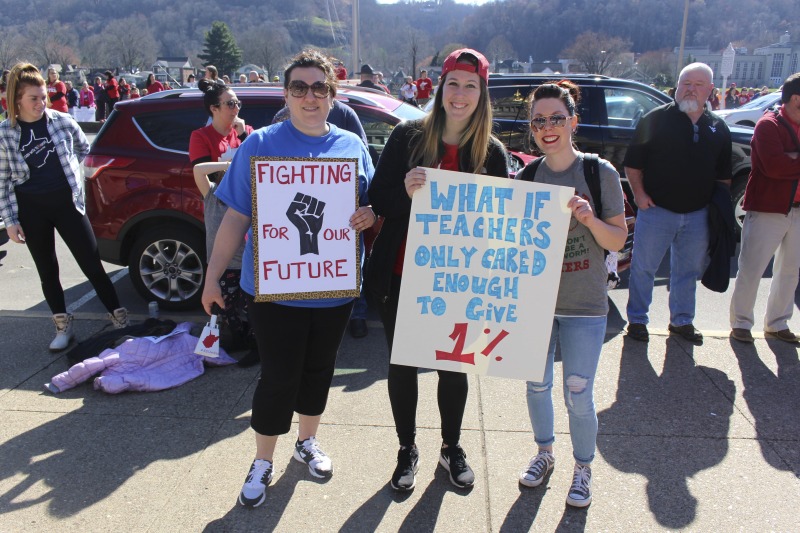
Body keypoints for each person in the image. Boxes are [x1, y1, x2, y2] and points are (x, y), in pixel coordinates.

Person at [200, 49, 375, 508]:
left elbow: (372, 206)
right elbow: (235, 217)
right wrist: (212, 277)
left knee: (319, 371)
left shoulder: (350, 147)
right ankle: (262, 459)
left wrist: (368, 214)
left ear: (332, 95)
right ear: (286, 93)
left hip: (334, 287)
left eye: (319, 87)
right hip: (274, 291)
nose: (309, 96)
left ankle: (307, 441)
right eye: (299, 87)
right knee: (278, 377)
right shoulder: (260, 145)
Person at [366, 48, 507, 492]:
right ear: (439, 88)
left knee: (454, 368)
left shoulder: (493, 152)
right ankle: (406, 447)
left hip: (461, 280)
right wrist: (405, 191)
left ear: (481, 93)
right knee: (403, 366)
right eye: (453, 84)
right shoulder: (409, 136)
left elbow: (502, 224)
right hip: (403, 273)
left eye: (470, 85)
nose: (460, 94)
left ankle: (451, 447)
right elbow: (377, 199)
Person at [514, 81, 627, 508]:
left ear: (572, 122)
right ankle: (545, 453)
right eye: (539, 120)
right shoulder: (526, 176)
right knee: (536, 385)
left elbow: (616, 240)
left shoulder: (599, 173)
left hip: (585, 305)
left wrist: (591, 219)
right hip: (536, 307)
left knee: (578, 394)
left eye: (556, 118)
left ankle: (583, 467)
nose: (547, 127)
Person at [0, 63, 129, 352]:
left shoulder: (61, 121)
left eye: (43, 96)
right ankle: (62, 324)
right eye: (33, 98)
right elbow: (3, 181)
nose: (40, 103)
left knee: (91, 264)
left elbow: (85, 150)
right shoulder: (5, 133)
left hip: (67, 204)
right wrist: (10, 220)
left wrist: (77, 178)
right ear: (17, 100)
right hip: (31, 208)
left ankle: (120, 318)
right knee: (47, 269)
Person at [624, 63, 731, 344]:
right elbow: (633, 165)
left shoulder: (718, 128)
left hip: (698, 214)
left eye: (698, 85)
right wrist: (639, 195)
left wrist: (716, 211)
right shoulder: (655, 120)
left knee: (687, 271)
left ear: (710, 90)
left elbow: (724, 177)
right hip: (657, 210)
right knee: (644, 267)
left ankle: (682, 321)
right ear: (676, 86)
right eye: (685, 83)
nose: (690, 89)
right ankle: (637, 320)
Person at [189, 78, 256, 365]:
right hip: (222, 211)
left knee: (251, 296)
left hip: (248, 218)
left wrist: (242, 138)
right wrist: (231, 165)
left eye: (237, 103)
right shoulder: (201, 136)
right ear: (214, 108)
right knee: (226, 297)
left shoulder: (245, 133)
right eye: (230, 104)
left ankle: (253, 342)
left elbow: (257, 162)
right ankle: (230, 340)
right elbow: (200, 171)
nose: (236, 108)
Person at [729, 72, 800, 344]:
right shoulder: (768, 125)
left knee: (790, 271)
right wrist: (788, 161)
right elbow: (774, 167)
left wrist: (791, 158)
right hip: (768, 208)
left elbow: (785, 165)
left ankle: (778, 323)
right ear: (795, 99)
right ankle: (741, 323)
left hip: (797, 210)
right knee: (752, 268)